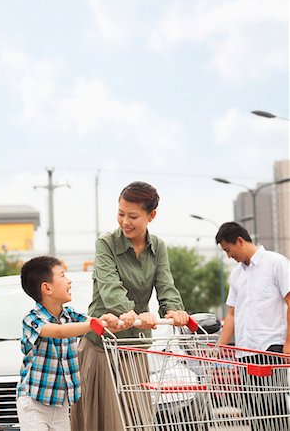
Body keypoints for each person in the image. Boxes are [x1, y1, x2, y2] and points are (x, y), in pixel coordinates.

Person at [71, 181, 189, 431]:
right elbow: (110, 287)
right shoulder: (106, 244)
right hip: (102, 343)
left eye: (133, 216)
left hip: (135, 345)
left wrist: (173, 310)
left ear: (151, 215)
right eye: (121, 214)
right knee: (103, 420)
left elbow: (165, 284)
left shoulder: (158, 247)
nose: (125, 221)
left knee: (138, 419)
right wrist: (130, 313)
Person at [16, 256, 119, 431]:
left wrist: (110, 321)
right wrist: (94, 325)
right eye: (63, 276)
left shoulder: (69, 315)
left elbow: (93, 324)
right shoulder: (32, 319)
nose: (69, 281)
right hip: (34, 403)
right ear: (47, 288)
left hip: (60, 404)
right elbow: (59, 332)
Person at [216, 221, 290, 431]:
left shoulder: (276, 263)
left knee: (273, 410)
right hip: (245, 352)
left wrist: (288, 344)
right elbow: (231, 315)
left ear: (240, 241)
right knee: (253, 411)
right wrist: (218, 349)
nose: (228, 256)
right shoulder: (237, 275)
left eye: (228, 250)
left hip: (271, 348)